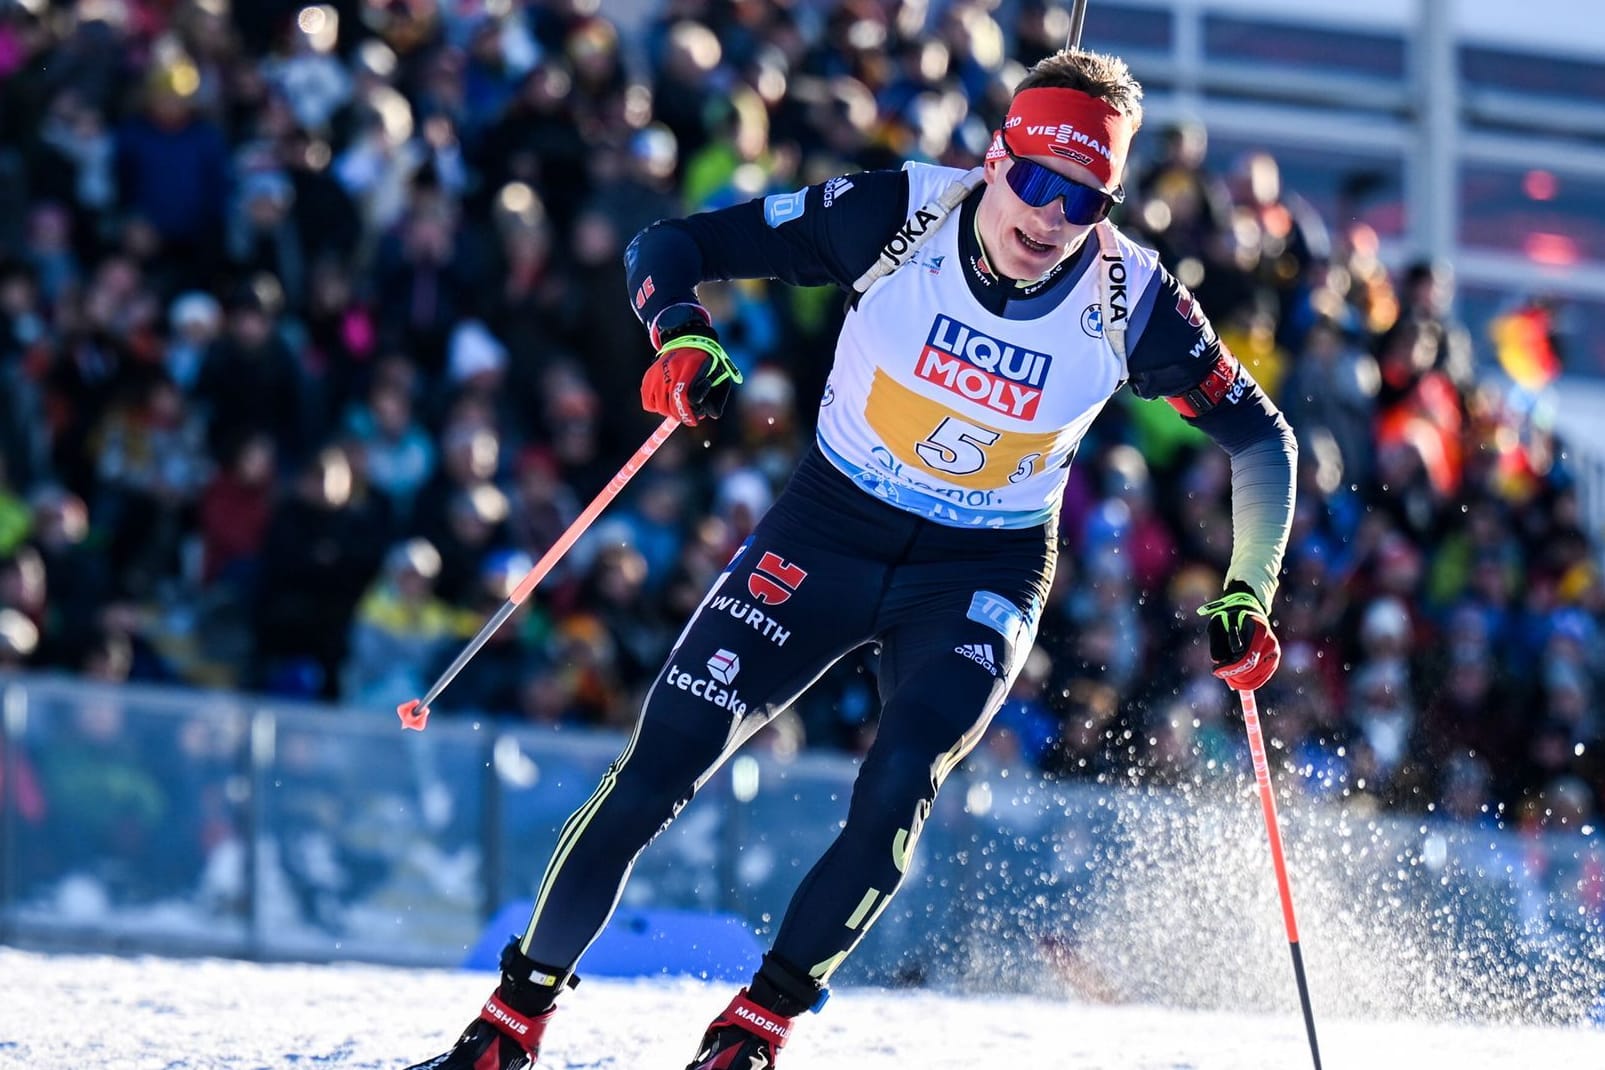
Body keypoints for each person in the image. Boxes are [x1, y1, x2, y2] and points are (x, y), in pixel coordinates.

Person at [406, 47, 1297, 1070]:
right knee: (660, 763)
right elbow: (669, 244)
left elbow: (1260, 437)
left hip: (981, 569)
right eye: (1037, 181)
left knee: (899, 779)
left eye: (1085, 201)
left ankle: (755, 1030)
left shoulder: (1132, 299)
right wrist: (682, 336)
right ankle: (509, 1023)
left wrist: (1248, 588)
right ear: (996, 159)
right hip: (829, 528)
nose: (1050, 217)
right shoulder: (896, 214)